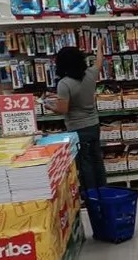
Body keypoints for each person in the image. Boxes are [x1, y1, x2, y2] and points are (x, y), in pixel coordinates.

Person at [45, 41, 107, 191]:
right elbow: (99, 61)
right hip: (93, 124)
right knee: (97, 159)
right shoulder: (90, 74)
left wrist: (49, 105)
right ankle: (103, 190)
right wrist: (99, 46)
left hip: (77, 128)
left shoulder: (64, 84)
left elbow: (63, 109)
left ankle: (90, 193)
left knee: (84, 163)